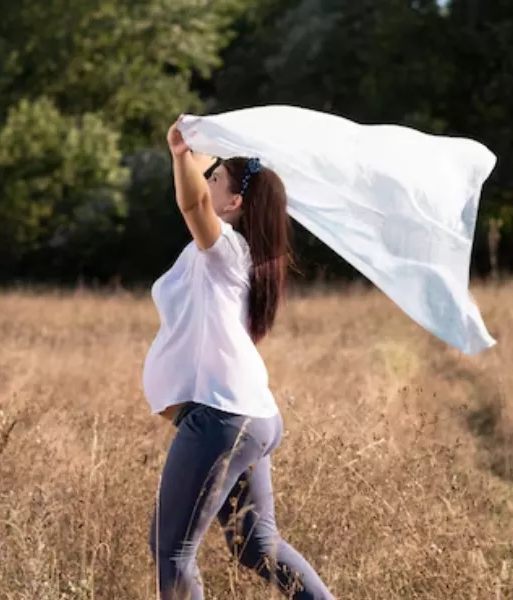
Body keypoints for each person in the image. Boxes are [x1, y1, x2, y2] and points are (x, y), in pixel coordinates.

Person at [144, 116, 334, 600]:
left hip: (223, 418)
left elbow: (191, 202)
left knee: (172, 550)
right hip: (244, 416)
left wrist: (181, 153)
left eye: (216, 179)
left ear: (234, 204)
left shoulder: (227, 251)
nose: (206, 183)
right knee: (257, 546)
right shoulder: (225, 255)